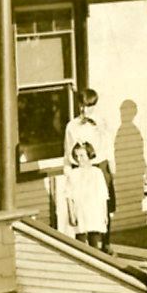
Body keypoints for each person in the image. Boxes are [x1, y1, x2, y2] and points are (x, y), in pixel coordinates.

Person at [63, 89, 116, 250]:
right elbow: (67, 151)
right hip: (80, 169)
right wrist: (68, 170)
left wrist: (111, 170)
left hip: (99, 166)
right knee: (82, 206)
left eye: (89, 107)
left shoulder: (102, 123)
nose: (85, 111)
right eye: (82, 106)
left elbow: (108, 147)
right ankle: (83, 246)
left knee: (103, 204)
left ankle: (105, 244)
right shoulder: (72, 126)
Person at [64, 142, 110, 249]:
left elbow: (103, 195)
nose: (79, 159)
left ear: (89, 155)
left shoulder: (97, 173)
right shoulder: (73, 174)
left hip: (94, 210)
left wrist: (105, 213)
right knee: (80, 242)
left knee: (94, 241)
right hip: (80, 211)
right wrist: (71, 214)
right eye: (77, 156)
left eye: (82, 156)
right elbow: (69, 196)